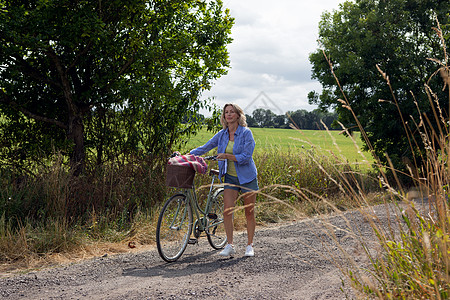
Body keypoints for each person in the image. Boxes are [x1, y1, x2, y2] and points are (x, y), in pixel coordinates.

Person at [190, 103, 258, 257]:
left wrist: (227, 156)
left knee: (249, 212)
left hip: (247, 177)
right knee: (227, 211)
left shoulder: (246, 133)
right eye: (226, 112)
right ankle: (230, 244)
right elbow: (205, 147)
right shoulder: (222, 134)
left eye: (232, 112)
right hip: (230, 177)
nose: (228, 115)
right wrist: (187, 155)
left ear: (238, 115)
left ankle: (249, 245)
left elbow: (246, 157)